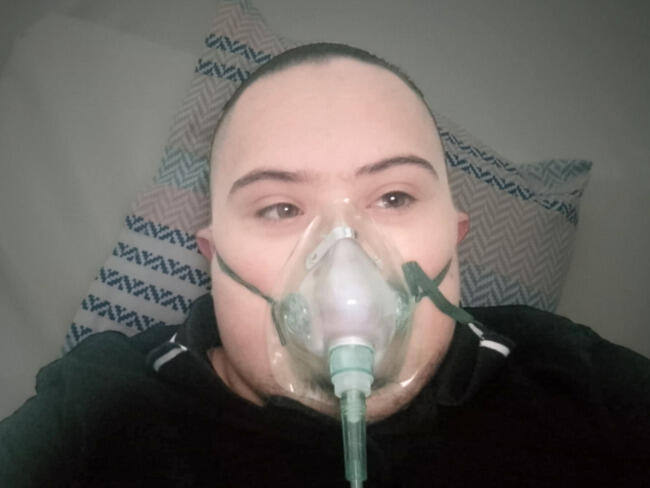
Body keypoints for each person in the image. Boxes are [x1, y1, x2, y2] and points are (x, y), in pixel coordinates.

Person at [1, 43, 648, 487]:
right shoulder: (105, 408)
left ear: (455, 238)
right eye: (280, 207)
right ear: (214, 258)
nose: (344, 254)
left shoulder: (568, 376)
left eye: (393, 198)